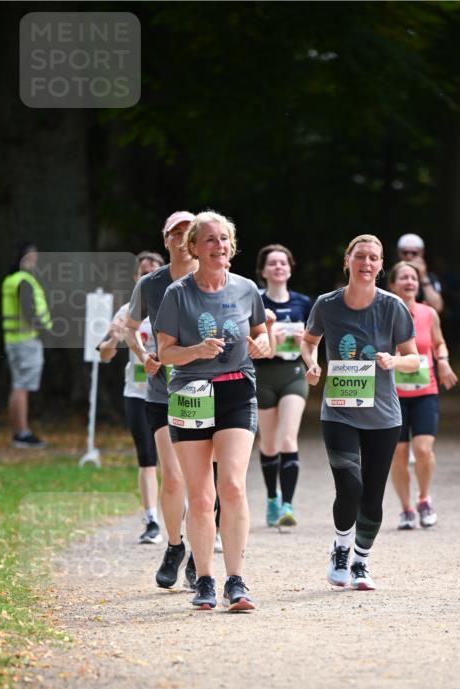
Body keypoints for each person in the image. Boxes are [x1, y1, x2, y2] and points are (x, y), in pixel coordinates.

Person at [155, 210, 272, 611]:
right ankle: (204, 579)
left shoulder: (246, 289)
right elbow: (165, 352)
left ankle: (236, 580)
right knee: (201, 496)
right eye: (209, 239)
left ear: (231, 246)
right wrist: (195, 351)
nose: (218, 246)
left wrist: (263, 345)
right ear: (194, 247)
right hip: (191, 392)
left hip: (236, 389)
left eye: (223, 239)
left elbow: (262, 335)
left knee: (233, 486)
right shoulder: (178, 294)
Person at [300, 234, 419, 591]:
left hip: (383, 416)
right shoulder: (327, 304)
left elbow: (414, 359)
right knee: (350, 487)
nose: (366, 263)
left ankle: (361, 562)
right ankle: (341, 548)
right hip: (339, 411)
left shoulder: (393, 306)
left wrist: (394, 360)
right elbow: (309, 341)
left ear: (381, 266)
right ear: (347, 260)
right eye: (360, 256)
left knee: (372, 495)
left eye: (373, 258)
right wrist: (312, 364)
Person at [126, 211, 199, 590]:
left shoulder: (214, 278)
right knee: (172, 477)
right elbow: (129, 328)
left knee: (203, 480)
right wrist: (144, 356)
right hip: (163, 392)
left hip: (207, 391)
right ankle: (174, 546)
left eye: (188, 232)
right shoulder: (150, 284)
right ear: (165, 238)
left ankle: (199, 556)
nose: (181, 238)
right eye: (175, 233)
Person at [97, 251, 165, 543]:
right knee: (146, 458)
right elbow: (105, 355)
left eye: (153, 271)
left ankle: (186, 515)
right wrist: (114, 337)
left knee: (176, 460)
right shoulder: (126, 311)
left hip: (170, 392)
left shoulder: (172, 305)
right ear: (136, 277)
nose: (147, 276)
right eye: (142, 272)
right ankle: (152, 520)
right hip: (137, 393)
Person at [387, 261, 458, 529]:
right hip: (393, 394)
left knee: (423, 449)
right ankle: (406, 509)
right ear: (392, 284)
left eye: (413, 278)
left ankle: (424, 499)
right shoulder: (383, 313)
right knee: (398, 452)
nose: (409, 282)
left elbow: (439, 343)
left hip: (425, 391)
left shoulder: (429, 313)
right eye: (403, 277)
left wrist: (444, 361)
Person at [254, 244, 311, 528]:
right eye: (272, 263)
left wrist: (305, 344)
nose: (278, 267)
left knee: (288, 439)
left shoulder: (303, 302)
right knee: (268, 443)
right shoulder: (255, 301)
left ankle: (288, 505)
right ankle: (271, 498)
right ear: (263, 271)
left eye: (283, 263)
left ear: (290, 269)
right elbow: (249, 342)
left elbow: (314, 341)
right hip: (263, 377)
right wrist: (268, 335)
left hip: (293, 375)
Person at [1, 242, 52, 448]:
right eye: (30, 258)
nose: (33, 262)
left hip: (13, 340)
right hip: (26, 341)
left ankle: (18, 432)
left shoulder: (10, 280)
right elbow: (29, 311)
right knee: (22, 387)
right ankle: (22, 432)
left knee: (18, 386)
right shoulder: (24, 281)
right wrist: (43, 330)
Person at [395, 233, 444, 313]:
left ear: (422, 253)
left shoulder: (430, 277)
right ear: (399, 253)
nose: (409, 256)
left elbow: (437, 307)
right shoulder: (389, 276)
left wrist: (423, 277)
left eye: (414, 253)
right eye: (405, 252)